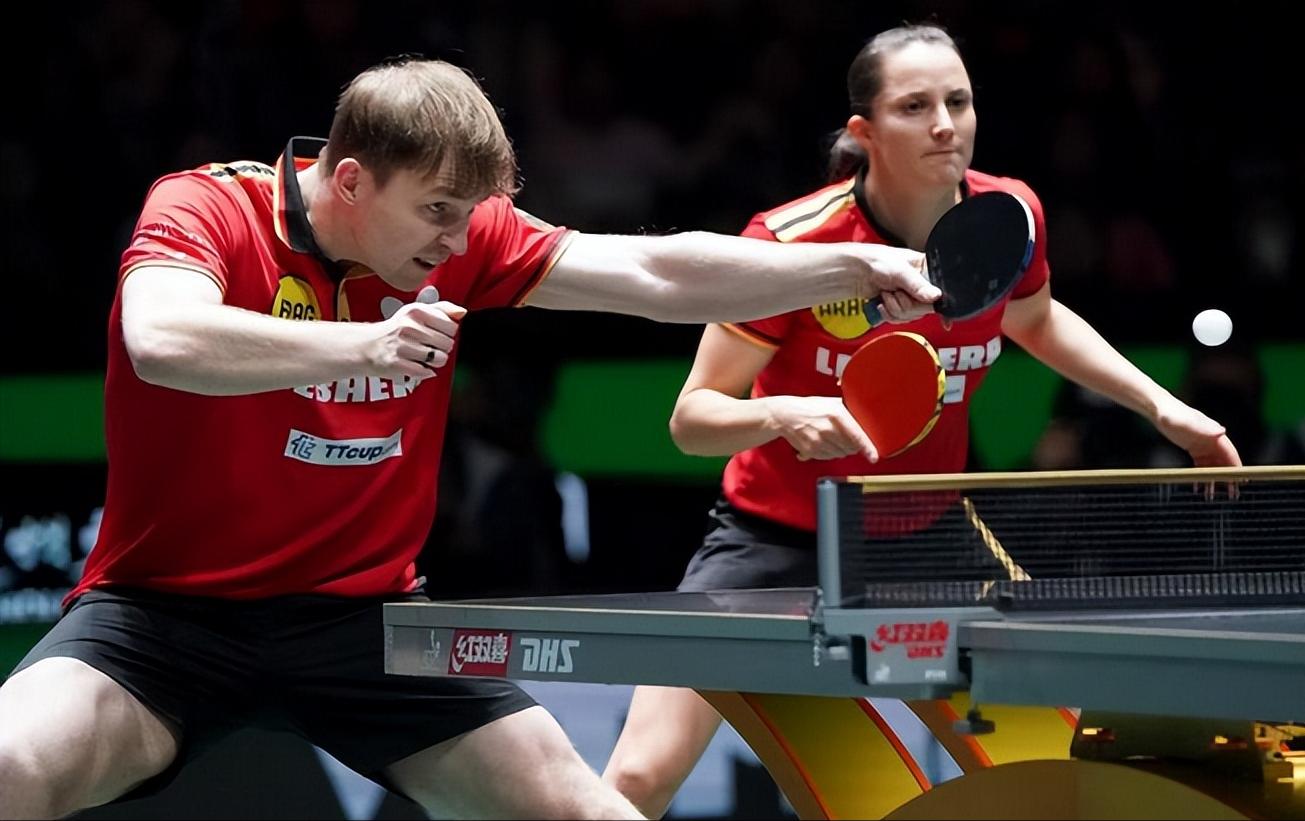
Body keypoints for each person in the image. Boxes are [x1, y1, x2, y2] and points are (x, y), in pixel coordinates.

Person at [0, 57, 942, 821]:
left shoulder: (462, 238)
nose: (457, 243)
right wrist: (362, 345)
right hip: (164, 619)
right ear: (352, 178)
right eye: (437, 213)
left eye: (467, 216)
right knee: (11, 764)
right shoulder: (207, 209)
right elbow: (160, 339)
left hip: (364, 624)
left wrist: (846, 267)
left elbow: (654, 272)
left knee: (586, 811)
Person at [600, 24, 1243, 818]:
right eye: (914, 106)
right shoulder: (790, 244)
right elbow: (692, 418)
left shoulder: (1008, 217)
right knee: (640, 775)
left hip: (926, 533)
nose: (944, 124)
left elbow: (1036, 319)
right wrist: (781, 412)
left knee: (1063, 764)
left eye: (957, 101)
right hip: (776, 537)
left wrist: (1164, 407)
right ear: (864, 131)